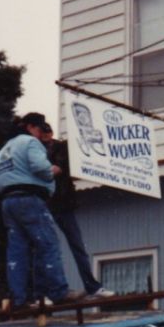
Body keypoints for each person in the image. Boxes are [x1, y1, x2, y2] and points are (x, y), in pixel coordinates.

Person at [0, 112, 85, 308]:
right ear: (30, 128)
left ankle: (20, 299)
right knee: (48, 243)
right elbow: (41, 168)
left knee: (17, 251)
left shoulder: (4, 150)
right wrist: (54, 170)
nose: (40, 133)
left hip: (8, 202)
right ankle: (59, 291)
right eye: (38, 128)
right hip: (30, 199)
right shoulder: (30, 142)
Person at [41, 124, 114, 299]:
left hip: (62, 203)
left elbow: (58, 169)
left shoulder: (61, 148)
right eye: (44, 137)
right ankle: (47, 292)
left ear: (51, 133)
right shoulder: (37, 149)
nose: (46, 139)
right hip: (48, 204)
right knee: (47, 249)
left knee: (77, 246)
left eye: (48, 135)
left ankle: (92, 286)